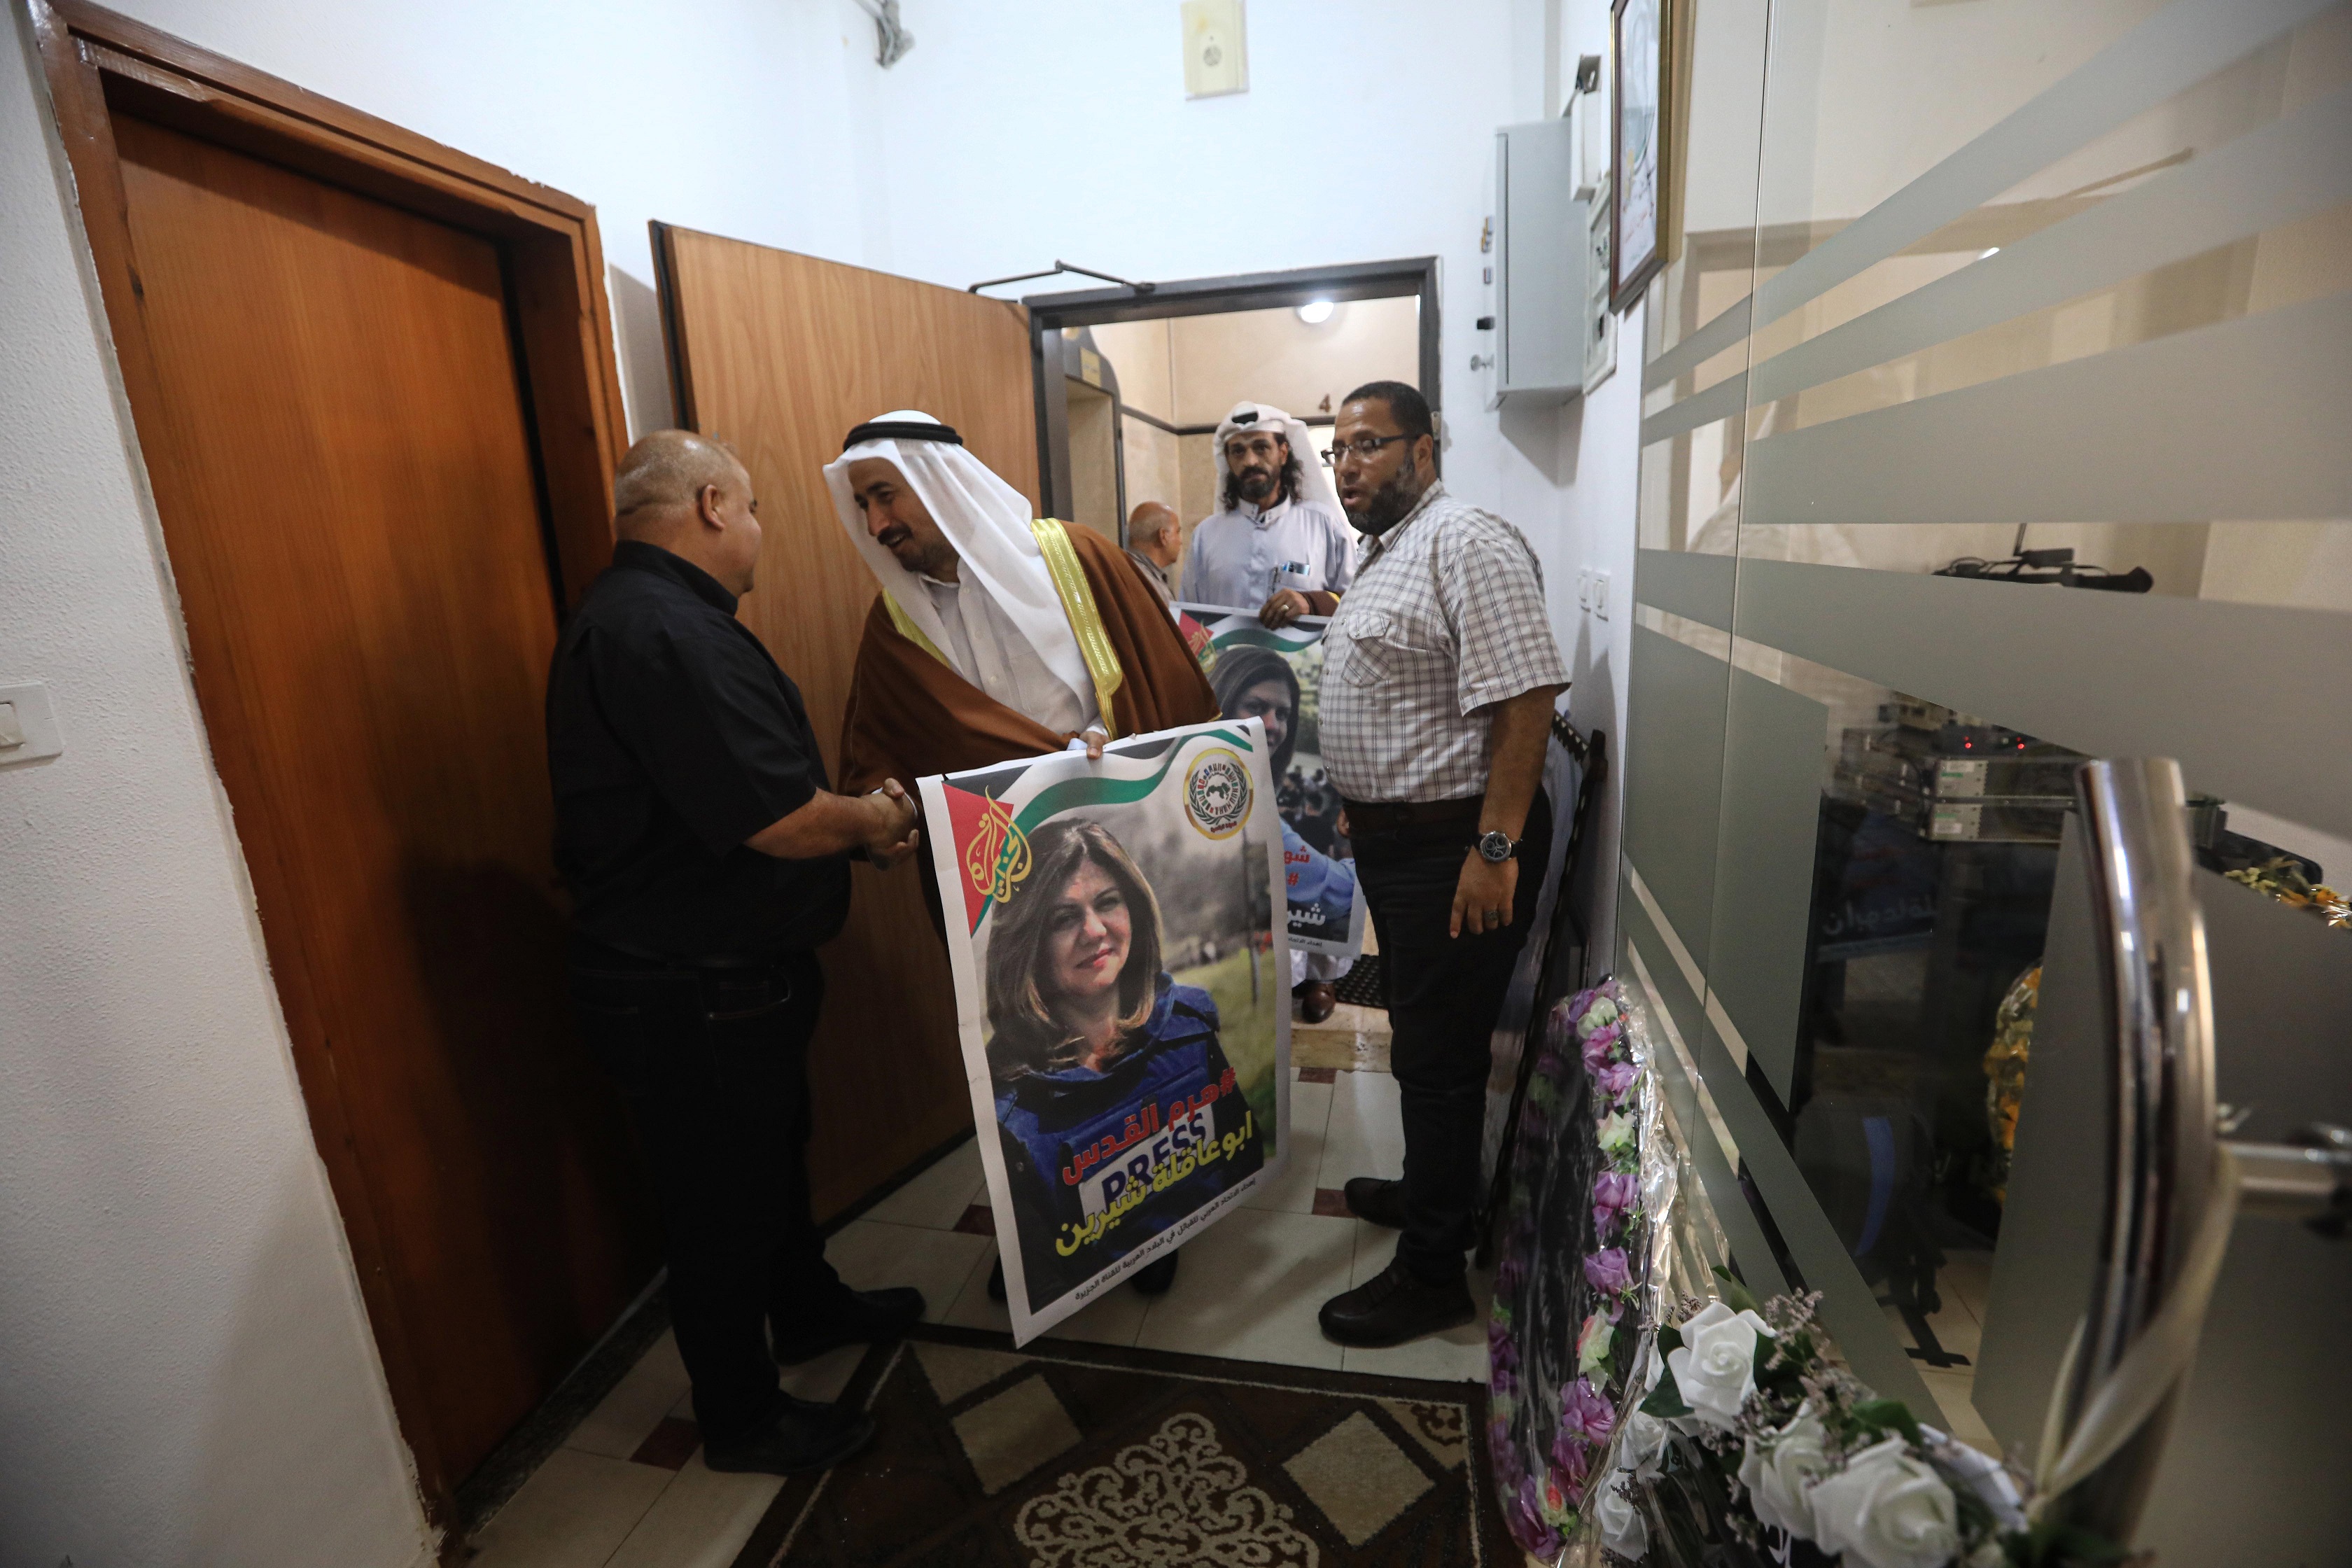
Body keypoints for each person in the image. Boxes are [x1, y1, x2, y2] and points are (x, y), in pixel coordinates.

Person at [547, 430, 928, 1476]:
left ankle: (806, 1308)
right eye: (753, 509)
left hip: (722, 976)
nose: (759, 531)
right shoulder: (665, 629)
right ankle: (742, 1417)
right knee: (719, 1205)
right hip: (688, 987)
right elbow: (780, 819)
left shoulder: (649, 615)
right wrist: (877, 818)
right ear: (713, 504)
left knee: (768, 1163)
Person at [826, 410, 1219, 1293]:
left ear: (940, 482)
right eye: (863, 505)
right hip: (994, 888)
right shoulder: (895, 620)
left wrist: (1114, 750)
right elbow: (879, 754)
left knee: (1126, 1042)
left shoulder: (1079, 560)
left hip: (1106, 861)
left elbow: (1175, 697)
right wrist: (883, 805)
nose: (877, 522)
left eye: (886, 495)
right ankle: (1046, 1229)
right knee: (1028, 1062)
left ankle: (1149, 1221)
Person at [1310, 382, 1571, 1349]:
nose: (1348, 467)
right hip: (1403, 840)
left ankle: (1432, 1274)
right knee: (1425, 1037)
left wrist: (1494, 849)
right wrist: (1367, 795)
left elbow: (1527, 702)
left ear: (1423, 450)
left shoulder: (1466, 541)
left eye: (1368, 446)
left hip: (1458, 844)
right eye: (1338, 450)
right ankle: (1433, 1195)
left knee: (1440, 1055)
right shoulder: (1389, 551)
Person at [985, 820, 1264, 1310]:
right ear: (1028, 943)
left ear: (1135, 908)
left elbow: (1240, 1156)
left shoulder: (1190, 1026)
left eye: (1108, 902)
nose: (1095, 931)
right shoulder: (1007, 1099)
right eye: (1063, 918)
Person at [1207, 645, 1355, 1023]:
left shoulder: (1240, 780)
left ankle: (1319, 978)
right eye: (1255, 707)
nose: (1272, 725)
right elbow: (1336, 890)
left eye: (1283, 714)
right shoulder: (1238, 799)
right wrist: (1372, 851)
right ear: (1220, 704)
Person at [1182, 401, 1357, 628]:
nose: (1250, 461)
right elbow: (1188, 618)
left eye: (1261, 447)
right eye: (1238, 451)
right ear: (1228, 460)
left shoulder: (1324, 525)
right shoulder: (1206, 536)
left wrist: (1311, 603)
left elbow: (1358, 602)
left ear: (1283, 453)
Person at [1124, 500, 1184, 607]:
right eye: (1177, 532)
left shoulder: (1123, 569)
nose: (1181, 541)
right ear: (1163, 536)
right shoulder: (1148, 585)